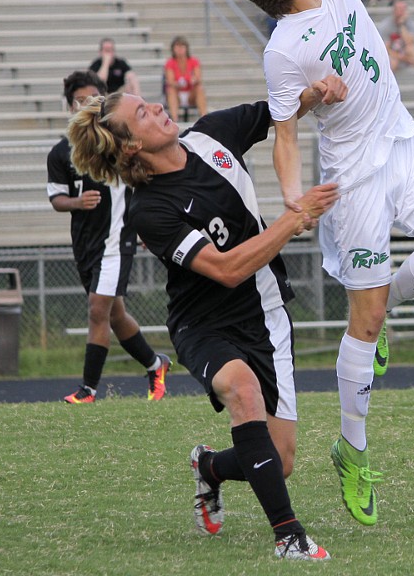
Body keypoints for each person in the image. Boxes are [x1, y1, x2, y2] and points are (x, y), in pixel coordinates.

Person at [228, 0, 414, 528]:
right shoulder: (285, 50)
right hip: (353, 180)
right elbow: (285, 134)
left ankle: (388, 303)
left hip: (401, 144)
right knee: (361, 325)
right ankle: (353, 449)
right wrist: (292, 200)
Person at [66, 89, 340, 561]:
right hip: (203, 325)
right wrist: (295, 217)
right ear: (131, 147)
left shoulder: (214, 135)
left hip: (267, 314)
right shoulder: (149, 210)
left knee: (281, 460)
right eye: (143, 113)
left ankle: (210, 467)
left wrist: (316, 92)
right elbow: (228, 269)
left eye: (148, 101)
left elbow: (281, 107)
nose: (156, 107)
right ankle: (289, 536)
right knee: (242, 389)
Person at [46, 71, 171, 403]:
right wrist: (76, 202)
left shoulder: (117, 142)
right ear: (69, 105)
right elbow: (56, 198)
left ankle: (88, 390)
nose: (85, 105)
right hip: (85, 244)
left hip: (116, 242)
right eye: (79, 101)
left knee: (97, 310)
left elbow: (143, 180)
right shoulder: (61, 152)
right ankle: (156, 364)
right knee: (114, 314)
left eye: (92, 100)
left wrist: (147, 225)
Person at [376, 0, 414, 87]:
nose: (401, 11)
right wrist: (402, 57)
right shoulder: (385, 26)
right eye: (399, 9)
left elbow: (409, 42)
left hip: (405, 53)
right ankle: (385, 83)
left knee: (411, 49)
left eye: (403, 9)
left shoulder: (409, 24)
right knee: (393, 62)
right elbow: (385, 49)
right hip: (392, 55)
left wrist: (401, 25)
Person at [163, 36, 206, 122]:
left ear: (186, 48)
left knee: (199, 88)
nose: (180, 49)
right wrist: (179, 84)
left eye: (182, 47)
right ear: (173, 49)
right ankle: (175, 120)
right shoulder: (170, 63)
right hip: (177, 94)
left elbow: (198, 77)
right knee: (170, 89)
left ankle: (204, 118)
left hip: (190, 93)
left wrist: (192, 80)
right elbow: (170, 81)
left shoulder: (194, 61)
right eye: (177, 47)